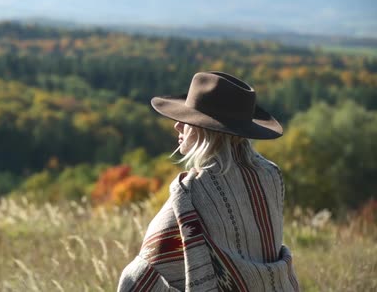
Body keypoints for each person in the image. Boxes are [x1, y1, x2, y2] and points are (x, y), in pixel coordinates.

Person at [117, 72, 299, 292]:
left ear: (205, 128)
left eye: (187, 120)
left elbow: (140, 276)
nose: (177, 126)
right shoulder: (270, 177)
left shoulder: (192, 190)